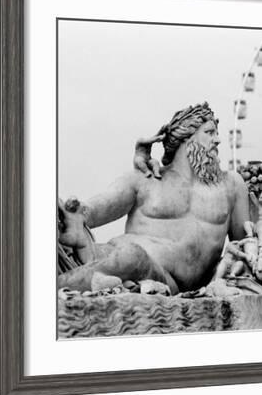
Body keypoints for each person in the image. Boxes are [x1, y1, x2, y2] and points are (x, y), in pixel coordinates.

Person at [57, 102, 251, 294]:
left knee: (132, 256)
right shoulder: (145, 179)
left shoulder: (231, 185)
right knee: (126, 254)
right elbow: (93, 210)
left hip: (166, 280)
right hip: (114, 259)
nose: (218, 140)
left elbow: (245, 245)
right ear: (186, 138)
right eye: (210, 132)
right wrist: (75, 216)